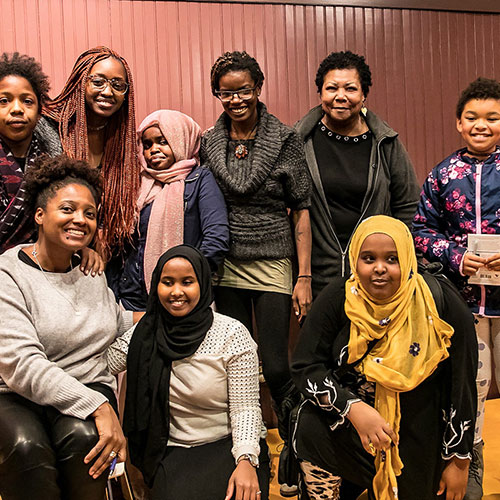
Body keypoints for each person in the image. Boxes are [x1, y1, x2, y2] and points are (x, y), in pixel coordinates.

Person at [292, 215, 477, 500]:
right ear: (355, 260)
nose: (380, 269)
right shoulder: (338, 297)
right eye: (368, 258)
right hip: (355, 428)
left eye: (392, 259)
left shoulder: (440, 302)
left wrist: (459, 462)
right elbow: (306, 366)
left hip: (418, 430)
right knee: (309, 423)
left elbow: (461, 387)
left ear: (408, 259)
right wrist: (352, 407)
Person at [0, 155, 143, 500]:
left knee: (86, 442)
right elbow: (21, 365)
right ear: (39, 215)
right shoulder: (8, 274)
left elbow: (113, 323)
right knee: (25, 448)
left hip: (86, 382)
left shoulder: (91, 270)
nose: (80, 219)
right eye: (67, 209)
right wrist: (98, 406)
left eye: (89, 213)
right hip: (17, 392)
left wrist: (171, 316)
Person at [124, 245, 270, 500]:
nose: (176, 292)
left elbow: (245, 408)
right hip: (172, 448)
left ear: (202, 284)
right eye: (167, 282)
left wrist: (246, 460)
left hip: (230, 445)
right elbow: (101, 362)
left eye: (187, 282)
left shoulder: (231, 334)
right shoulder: (145, 333)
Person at [412, 77, 500, 500]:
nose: (481, 125)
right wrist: (455, 256)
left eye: (492, 117)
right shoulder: (443, 174)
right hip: (464, 306)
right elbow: (420, 230)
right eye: (472, 117)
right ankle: (473, 462)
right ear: (459, 123)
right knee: (473, 387)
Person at [295, 51, 419, 297]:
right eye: (332, 88)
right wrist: (303, 276)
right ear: (320, 94)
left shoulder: (386, 143)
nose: (340, 97)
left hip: (375, 276)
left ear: (364, 95)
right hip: (317, 277)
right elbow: (294, 209)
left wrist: (397, 262)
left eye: (350, 89)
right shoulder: (299, 142)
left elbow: (408, 206)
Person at [106, 109, 229, 311]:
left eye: (162, 141)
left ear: (180, 139)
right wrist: (115, 291)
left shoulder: (199, 180)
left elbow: (217, 238)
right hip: (133, 298)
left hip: (181, 298)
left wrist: (185, 280)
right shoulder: (137, 183)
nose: (153, 149)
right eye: (147, 144)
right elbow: (121, 245)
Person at [44, 46, 140, 259]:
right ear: (81, 82)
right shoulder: (49, 128)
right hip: (51, 252)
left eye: (117, 85)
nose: (107, 92)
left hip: (107, 257)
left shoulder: (124, 140)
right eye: (98, 82)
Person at [0, 52, 61, 252]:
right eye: (3, 101)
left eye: (27, 101)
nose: (17, 109)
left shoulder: (54, 164)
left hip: (39, 268)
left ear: (39, 111)